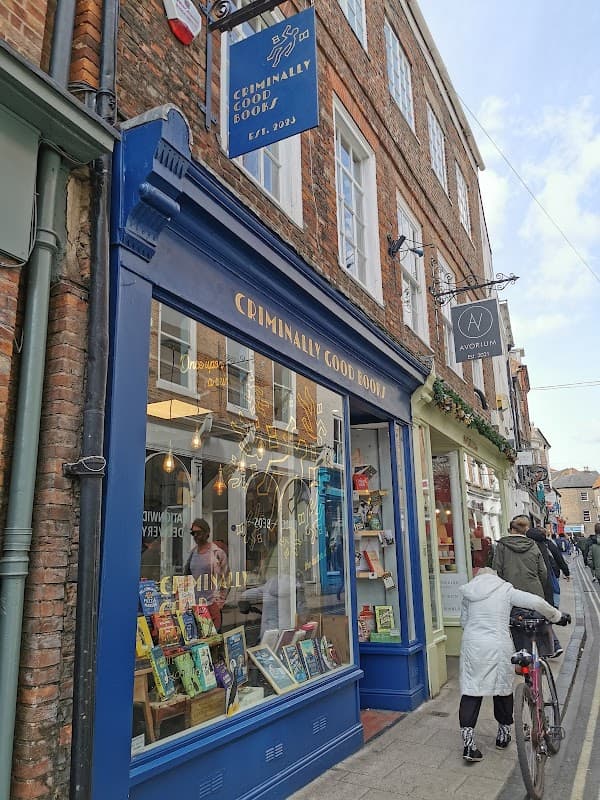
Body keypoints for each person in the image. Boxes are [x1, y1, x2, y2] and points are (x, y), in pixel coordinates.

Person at [459, 567, 570, 762]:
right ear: (495, 576)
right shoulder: (504, 589)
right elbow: (536, 602)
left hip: (472, 644)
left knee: (471, 690)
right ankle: (503, 736)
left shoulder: (468, 592)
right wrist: (557, 616)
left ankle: (468, 745)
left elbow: (464, 621)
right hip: (497, 643)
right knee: (502, 689)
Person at [493, 514, 550, 654]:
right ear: (525, 530)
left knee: (517, 628)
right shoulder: (533, 545)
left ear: (512, 529)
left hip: (511, 594)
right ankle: (539, 659)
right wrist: (539, 587)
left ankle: (522, 659)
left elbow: (496, 571)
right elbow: (543, 571)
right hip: (534, 592)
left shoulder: (502, 546)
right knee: (537, 626)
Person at [526, 526, 570, 657]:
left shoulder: (530, 547)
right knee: (544, 615)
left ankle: (552, 646)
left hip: (537, 585)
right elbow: (558, 558)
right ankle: (553, 646)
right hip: (549, 583)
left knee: (541, 616)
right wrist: (566, 572)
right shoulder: (548, 544)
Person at [184, 518, 229, 630]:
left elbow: (226, 579)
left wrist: (219, 603)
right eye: (193, 533)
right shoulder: (193, 553)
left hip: (211, 605)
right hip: (195, 606)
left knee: (213, 640)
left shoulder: (217, 553)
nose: (195, 536)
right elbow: (186, 576)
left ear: (206, 533)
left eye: (198, 533)